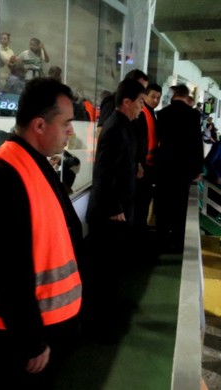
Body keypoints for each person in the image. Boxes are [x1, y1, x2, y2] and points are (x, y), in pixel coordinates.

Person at [0, 78, 83, 388]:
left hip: (39, 324)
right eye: (67, 122)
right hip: (20, 333)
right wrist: (31, 341)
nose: (72, 130)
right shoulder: (4, 176)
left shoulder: (32, 163)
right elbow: (8, 271)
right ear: (40, 125)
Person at [85, 79, 145, 340]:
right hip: (109, 214)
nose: (142, 109)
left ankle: (110, 312)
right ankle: (99, 326)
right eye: (140, 103)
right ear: (127, 102)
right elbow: (104, 172)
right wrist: (114, 207)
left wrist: (135, 167)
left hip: (120, 210)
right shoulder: (113, 128)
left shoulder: (125, 127)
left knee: (113, 268)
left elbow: (120, 164)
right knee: (103, 272)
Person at [154, 84, 203, 251]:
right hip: (184, 168)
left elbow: (157, 142)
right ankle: (177, 241)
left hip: (164, 166)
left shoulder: (162, 114)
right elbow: (197, 142)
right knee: (180, 204)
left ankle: (161, 239)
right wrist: (197, 168)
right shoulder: (194, 115)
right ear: (187, 96)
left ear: (174, 94)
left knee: (163, 203)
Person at [132, 83, 162, 234]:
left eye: (158, 98)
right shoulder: (142, 114)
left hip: (148, 166)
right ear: (145, 96)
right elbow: (138, 141)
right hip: (142, 167)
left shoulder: (151, 113)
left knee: (144, 205)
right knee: (140, 205)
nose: (155, 100)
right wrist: (138, 162)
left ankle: (141, 229)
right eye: (153, 97)